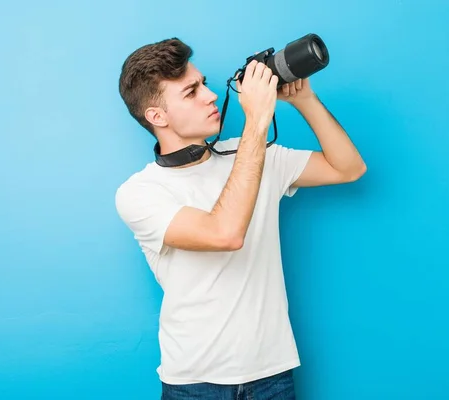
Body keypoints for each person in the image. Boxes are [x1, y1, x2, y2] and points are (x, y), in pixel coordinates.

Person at [115, 37, 366, 399]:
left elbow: (349, 168)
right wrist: (257, 123)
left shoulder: (248, 154)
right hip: (194, 381)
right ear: (157, 116)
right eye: (191, 92)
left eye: (203, 84)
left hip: (272, 373)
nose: (211, 95)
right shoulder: (139, 193)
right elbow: (225, 234)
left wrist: (305, 101)